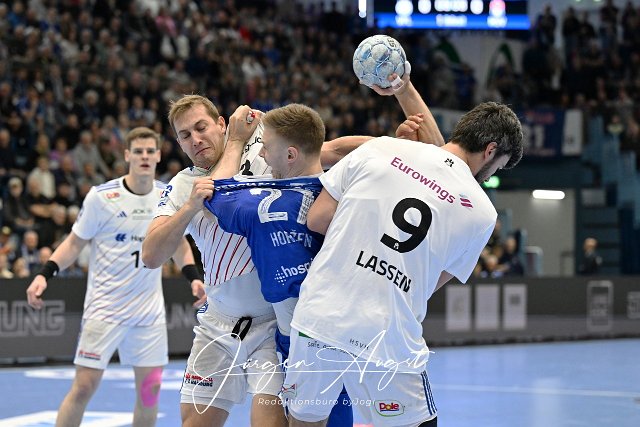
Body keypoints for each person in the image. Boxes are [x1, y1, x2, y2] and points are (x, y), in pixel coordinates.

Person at [142, 77, 440, 426]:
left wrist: (393, 147)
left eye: (200, 127)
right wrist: (189, 208)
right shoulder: (183, 185)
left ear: (222, 124)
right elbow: (151, 255)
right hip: (218, 323)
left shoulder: (266, 152)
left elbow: (332, 150)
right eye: (184, 135)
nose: (195, 139)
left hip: (271, 325)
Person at [284, 101, 524, 427]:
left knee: (305, 420)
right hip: (387, 334)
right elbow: (428, 283)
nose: (492, 174)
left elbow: (317, 219)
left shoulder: (380, 148)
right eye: (497, 167)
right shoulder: (482, 213)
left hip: (320, 316)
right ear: (490, 150)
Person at [26, 127, 206, 427]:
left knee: (150, 393)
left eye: (150, 151)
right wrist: (46, 273)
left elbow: (178, 243)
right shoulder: (102, 197)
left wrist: (193, 278)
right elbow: (75, 243)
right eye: (138, 151)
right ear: (127, 156)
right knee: (84, 387)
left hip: (148, 313)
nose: (144, 156)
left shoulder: (168, 195)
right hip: (105, 309)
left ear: (158, 156)